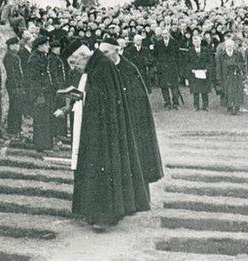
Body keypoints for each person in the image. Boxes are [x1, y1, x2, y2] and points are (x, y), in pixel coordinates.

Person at [60, 39, 150, 231]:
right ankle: (93, 212)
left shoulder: (102, 66)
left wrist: (83, 97)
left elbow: (102, 99)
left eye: (74, 63)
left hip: (104, 131)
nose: (75, 68)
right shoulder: (96, 65)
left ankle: (104, 216)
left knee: (104, 169)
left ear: (82, 56)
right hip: (98, 128)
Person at [99, 38, 164, 201]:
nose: (103, 56)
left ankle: (140, 199)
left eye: (106, 52)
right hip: (113, 123)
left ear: (117, 51)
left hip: (132, 123)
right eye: (101, 53)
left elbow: (138, 100)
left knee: (137, 159)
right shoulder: (102, 70)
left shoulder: (129, 69)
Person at [27, 36, 54, 152]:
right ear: (40, 46)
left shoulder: (42, 56)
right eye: (46, 45)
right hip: (40, 94)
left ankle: (46, 144)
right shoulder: (34, 59)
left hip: (46, 92)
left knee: (46, 119)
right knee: (41, 120)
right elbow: (34, 80)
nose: (48, 47)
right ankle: (41, 145)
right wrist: (40, 95)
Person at [216, 39, 245, 115]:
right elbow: (218, 67)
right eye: (228, 46)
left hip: (236, 75)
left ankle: (237, 108)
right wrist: (218, 77)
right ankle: (229, 108)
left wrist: (238, 66)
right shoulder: (221, 55)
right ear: (225, 46)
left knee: (237, 92)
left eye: (231, 46)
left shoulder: (238, 54)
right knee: (227, 92)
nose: (229, 47)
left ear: (233, 46)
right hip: (225, 76)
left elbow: (242, 63)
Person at [154, 28, 180, 110]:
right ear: (161, 35)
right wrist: (158, 64)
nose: (165, 35)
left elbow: (177, 55)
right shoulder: (158, 44)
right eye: (163, 34)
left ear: (168, 34)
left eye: (166, 33)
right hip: (162, 68)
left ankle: (175, 103)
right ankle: (167, 103)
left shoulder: (174, 43)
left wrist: (176, 64)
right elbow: (155, 55)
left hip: (172, 67)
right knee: (164, 86)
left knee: (174, 86)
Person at [3, 36, 25, 138]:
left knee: (18, 108)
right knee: (14, 108)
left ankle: (17, 129)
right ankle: (12, 130)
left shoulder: (15, 56)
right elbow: (11, 74)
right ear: (10, 46)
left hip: (18, 86)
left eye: (18, 44)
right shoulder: (9, 57)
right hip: (13, 86)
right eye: (15, 44)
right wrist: (16, 86)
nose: (17, 46)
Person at [186, 35, 213, 111]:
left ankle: (205, 106)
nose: (197, 43)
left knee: (205, 91)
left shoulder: (206, 50)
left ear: (200, 42)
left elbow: (210, 61)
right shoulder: (190, 51)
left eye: (198, 41)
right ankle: (196, 106)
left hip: (204, 72)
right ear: (193, 42)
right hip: (194, 73)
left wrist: (206, 69)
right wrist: (192, 69)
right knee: (195, 91)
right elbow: (187, 62)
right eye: (195, 41)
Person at [48, 41, 68, 139]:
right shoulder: (52, 59)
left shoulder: (55, 58)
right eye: (57, 48)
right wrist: (58, 87)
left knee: (60, 108)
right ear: (54, 49)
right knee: (58, 109)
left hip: (60, 87)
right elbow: (54, 74)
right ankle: (57, 132)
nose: (59, 50)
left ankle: (60, 132)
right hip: (58, 89)